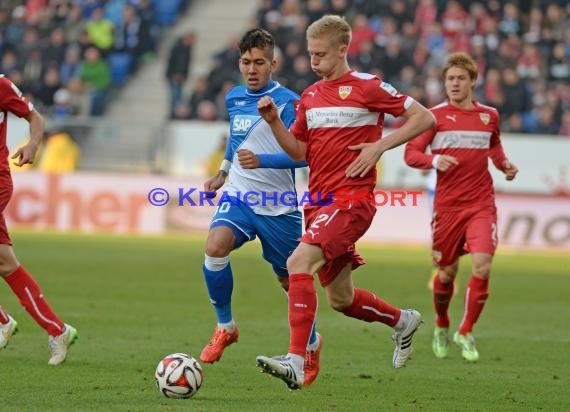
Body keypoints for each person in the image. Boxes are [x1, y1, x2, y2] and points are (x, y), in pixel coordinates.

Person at [255, 15, 435, 390]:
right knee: (341, 299)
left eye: (321, 54)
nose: (314, 61)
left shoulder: (368, 87)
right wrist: (274, 123)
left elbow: (424, 117)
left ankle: (295, 360)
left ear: (342, 49)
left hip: (352, 200)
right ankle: (403, 321)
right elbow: (299, 150)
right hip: (318, 202)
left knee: (297, 262)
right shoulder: (309, 96)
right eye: (310, 55)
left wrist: (380, 145)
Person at [200, 28, 323, 387]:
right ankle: (225, 327)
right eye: (245, 62)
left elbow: (305, 157)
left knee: (289, 280)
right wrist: (223, 172)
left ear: (273, 63)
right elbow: (236, 141)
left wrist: (263, 161)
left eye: (258, 63)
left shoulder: (290, 101)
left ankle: (312, 343)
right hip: (239, 195)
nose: (251, 69)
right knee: (214, 248)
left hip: (278, 206)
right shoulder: (235, 97)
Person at [404, 52, 518, 362]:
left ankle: (466, 330)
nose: (454, 84)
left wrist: (504, 164)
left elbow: (493, 146)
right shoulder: (433, 117)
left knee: (482, 265)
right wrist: (434, 159)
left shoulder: (488, 116)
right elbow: (411, 153)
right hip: (448, 208)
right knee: (446, 273)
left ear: (472, 82)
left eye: (460, 79)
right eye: (449, 79)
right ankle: (442, 324)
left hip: (481, 203)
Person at [0, 74, 78, 364]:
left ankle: (3, 322)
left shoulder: (2, 85)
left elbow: (36, 118)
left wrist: (33, 145)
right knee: (6, 264)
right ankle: (57, 330)